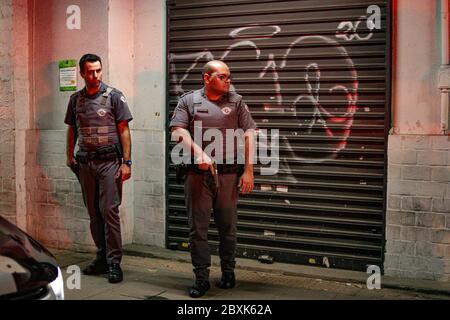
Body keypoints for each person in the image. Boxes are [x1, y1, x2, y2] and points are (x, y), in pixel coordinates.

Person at [170, 60, 256, 298]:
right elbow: (178, 130)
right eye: (223, 77)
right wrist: (198, 152)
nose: (228, 81)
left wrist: (248, 170)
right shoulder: (189, 100)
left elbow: (249, 134)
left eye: (229, 76)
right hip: (197, 176)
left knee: (228, 228)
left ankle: (228, 272)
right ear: (207, 78)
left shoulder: (236, 101)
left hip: (228, 174)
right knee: (197, 230)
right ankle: (201, 278)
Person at [64, 53, 133, 284]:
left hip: (110, 163)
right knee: (94, 214)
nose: (95, 76)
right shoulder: (75, 100)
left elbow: (124, 129)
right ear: (82, 73)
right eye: (90, 72)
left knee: (109, 211)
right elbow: (72, 129)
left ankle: (114, 263)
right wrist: (69, 155)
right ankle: (102, 257)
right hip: (85, 163)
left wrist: (127, 162)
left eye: (98, 71)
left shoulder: (114, 96)